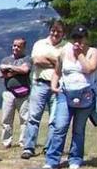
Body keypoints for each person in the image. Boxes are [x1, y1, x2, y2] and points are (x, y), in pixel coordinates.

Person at [44, 26, 97, 169]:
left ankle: (75, 158)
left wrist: (80, 54)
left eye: (80, 38)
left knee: (79, 129)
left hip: (85, 94)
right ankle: (52, 160)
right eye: (75, 38)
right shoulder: (64, 52)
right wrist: (53, 86)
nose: (77, 41)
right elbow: (57, 71)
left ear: (86, 38)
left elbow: (89, 69)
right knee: (60, 126)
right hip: (65, 93)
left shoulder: (93, 52)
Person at [21, 20, 67, 159]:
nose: (55, 33)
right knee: (33, 117)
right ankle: (29, 147)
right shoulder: (40, 44)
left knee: (54, 120)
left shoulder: (67, 47)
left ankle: (50, 148)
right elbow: (37, 61)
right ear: (50, 30)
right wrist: (57, 62)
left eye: (59, 31)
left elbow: (66, 65)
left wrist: (50, 59)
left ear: (63, 33)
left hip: (58, 86)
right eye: (53, 30)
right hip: (40, 84)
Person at [0, 39, 32, 148]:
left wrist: (9, 68)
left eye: (18, 46)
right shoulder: (6, 59)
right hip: (9, 92)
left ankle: (23, 142)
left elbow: (25, 70)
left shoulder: (27, 59)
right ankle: (6, 142)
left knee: (24, 119)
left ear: (23, 48)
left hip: (24, 93)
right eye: (14, 46)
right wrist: (16, 70)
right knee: (6, 118)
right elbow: (0, 73)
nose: (15, 48)